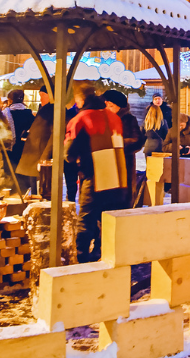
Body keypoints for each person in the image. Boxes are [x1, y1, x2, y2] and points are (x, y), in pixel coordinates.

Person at [65, 90, 126, 262]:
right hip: (117, 176)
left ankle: (81, 257)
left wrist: (72, 159)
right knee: (108, 218)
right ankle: (104, 252)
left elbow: (70, 152)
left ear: (82, 99)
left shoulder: (83, 118)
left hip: (95, 175)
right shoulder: (114, 118)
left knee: (86, 217)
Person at [103, 90, 143, 208]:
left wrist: (117, 143)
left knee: (121, 200)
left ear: (119, 107)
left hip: (124, 165)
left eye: (111, 106)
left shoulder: (129, 119)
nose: (108, 109)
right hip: (106, 165)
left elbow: (138, 141)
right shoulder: (103, 119)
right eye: (107, 106)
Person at [15, 94, 55, 196]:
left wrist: (45, 155)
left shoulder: (53, 110)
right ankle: (34, 198)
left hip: (41, 151)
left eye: (43, 95)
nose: (40, 98)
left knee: (42, 183)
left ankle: (41, 201)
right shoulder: (44, 109)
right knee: (32, 179)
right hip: (33, 150)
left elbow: (54, 135)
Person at [5, 90, 36, 195]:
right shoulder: (28, 113)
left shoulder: (6, 113)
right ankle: (24, 193)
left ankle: (13, 191)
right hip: (24, 147)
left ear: (10, 100)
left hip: (10, 147)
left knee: (11, 170)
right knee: (22, 171)